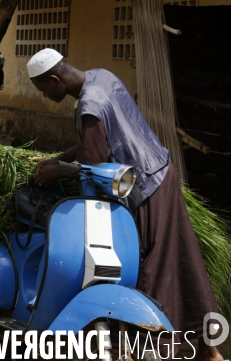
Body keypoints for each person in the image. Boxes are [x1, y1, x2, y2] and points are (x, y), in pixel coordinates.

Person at [28, 48, 223, 361]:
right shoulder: (101, 76)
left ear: (55, 79)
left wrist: (55, 172)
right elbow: (93, 144)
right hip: (160, 172)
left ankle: (160, 351)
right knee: (182, 260)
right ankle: (207, 348)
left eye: (44, 89)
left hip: (144, 188)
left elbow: (93, 162)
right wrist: (59, 158)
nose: (45, 96)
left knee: (151, 269)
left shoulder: (88, 106)